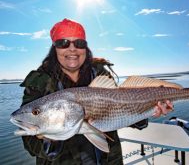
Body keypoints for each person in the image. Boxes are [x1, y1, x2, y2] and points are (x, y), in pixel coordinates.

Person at [20, 18, 173, 165]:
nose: (72, 48)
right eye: (63, 43)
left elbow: (123, 110)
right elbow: (30, 143)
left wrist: (149, 111)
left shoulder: (100, 74)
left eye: (79, 43)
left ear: (85, 48)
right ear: (55, 48)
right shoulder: (38, 82)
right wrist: (50, 138)